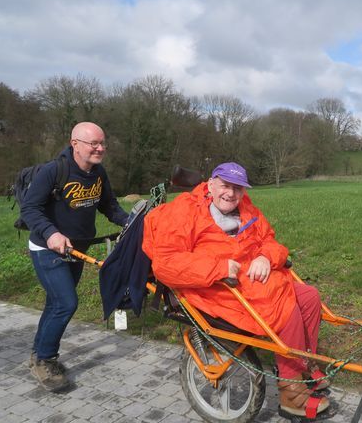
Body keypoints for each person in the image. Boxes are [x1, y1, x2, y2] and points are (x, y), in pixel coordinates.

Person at [142, 162, 331, 419]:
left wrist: (266, 257)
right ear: (211, 184)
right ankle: (290, 392)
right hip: (213, 286)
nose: (231, 194)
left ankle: (303, 365)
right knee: (282, 309)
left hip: (248, 279)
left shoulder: (246, 207)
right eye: (225, 186)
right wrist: (218, 268)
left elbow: (269, 240)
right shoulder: (185, 211)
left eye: (238, 188)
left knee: (309, 297)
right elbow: (166, 263)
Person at [21, 122, 129, 392]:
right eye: (94, 143)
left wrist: (131, 222)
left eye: (103, 143)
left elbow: (109, 206)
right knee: (66, 303)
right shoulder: (53, 171)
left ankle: (38, 354)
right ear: (75, 144)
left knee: (55, 303)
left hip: (77, 250)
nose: (100, 148)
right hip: (48, 248)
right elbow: (30, 208)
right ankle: (45, 360)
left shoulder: (98, 173)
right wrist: (51, 233)